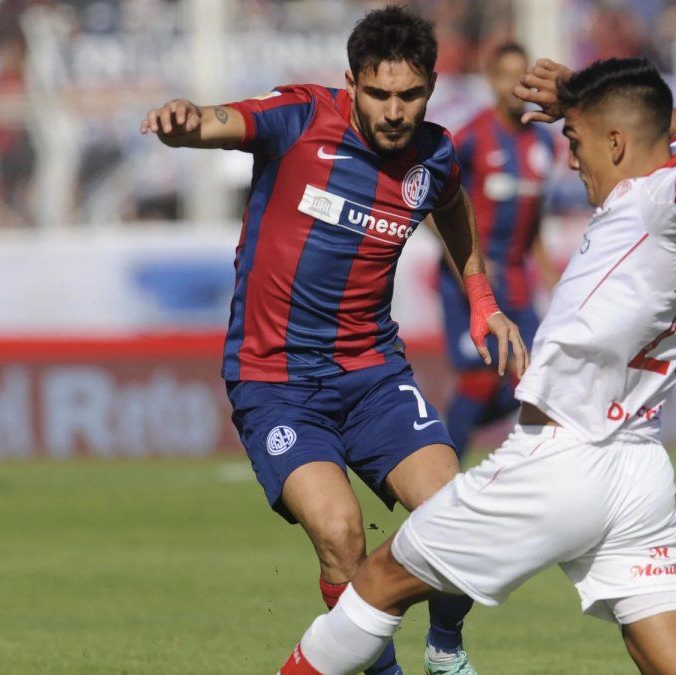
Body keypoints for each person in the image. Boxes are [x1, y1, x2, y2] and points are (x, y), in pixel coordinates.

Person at [276, 24, 676, 675]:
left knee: (380, 579)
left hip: (560, 458)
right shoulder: (672, 161)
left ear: (616, 142)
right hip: (636, 470)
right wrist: (579, 95)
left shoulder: (663, 204)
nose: (570, 157)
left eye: (576, 139)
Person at [141, 6, 529, 674]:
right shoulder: (300, 118)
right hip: (276, 382)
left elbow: (455, 211)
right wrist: (185, 123)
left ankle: (445, 641)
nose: (394, 110)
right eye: (378, 93)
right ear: (351, 84)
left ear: (430, 89)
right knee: (340, 530)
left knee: (461, 521)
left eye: (409, 95)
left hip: (373, 375)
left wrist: (482, 302)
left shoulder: (434, 157)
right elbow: (219, 121)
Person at [439, 42, 557, 460]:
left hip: (517, 278)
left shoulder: (543, 142)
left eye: (521, 76)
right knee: (479, 376)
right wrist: (464, 273)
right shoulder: (470, 137)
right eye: (505, 75)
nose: (514, 85)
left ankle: (450, 435)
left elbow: (536, 212)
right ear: (491, 80)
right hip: (470, 278)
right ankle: (439, 477)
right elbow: (437, 209)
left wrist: (545, 268)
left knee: (537, 375)